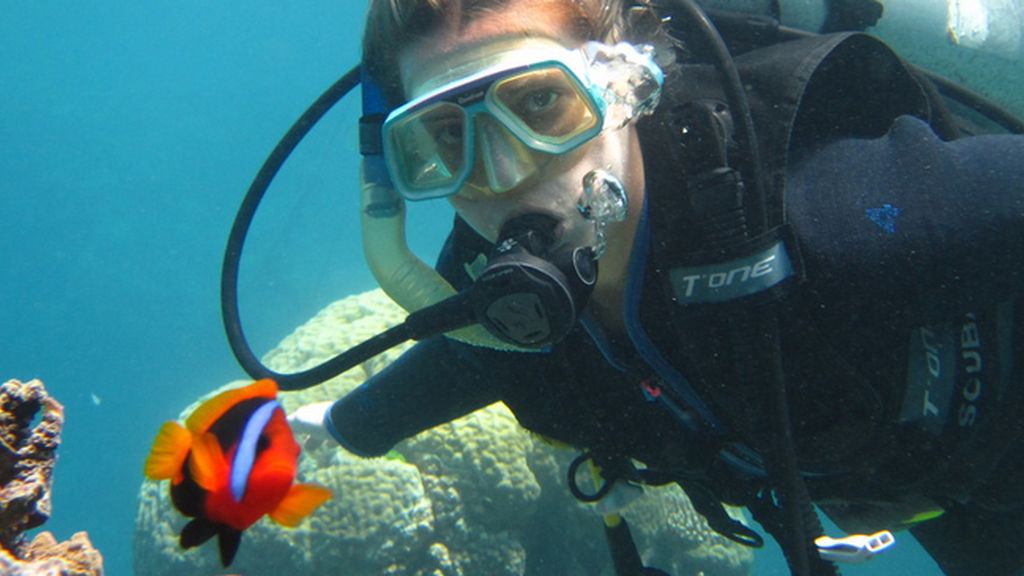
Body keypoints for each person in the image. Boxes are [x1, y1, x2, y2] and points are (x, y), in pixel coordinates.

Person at [285, 0, 1024, 573]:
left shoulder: (828, 209)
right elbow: (477, 356)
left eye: (539, 103)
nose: (503, 175)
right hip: (925, 497)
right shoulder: (502, 299)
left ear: (623, 83)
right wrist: (351, 423)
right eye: (447, 136)